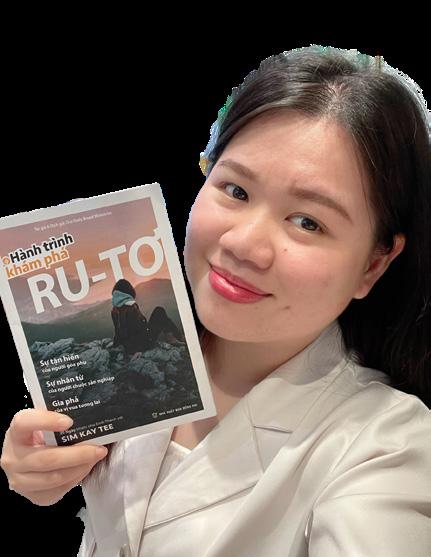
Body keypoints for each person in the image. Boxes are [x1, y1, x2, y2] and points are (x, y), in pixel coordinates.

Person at [1, 46, 430, 556]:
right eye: (236, 190)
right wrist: (41, 468)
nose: (244, 245)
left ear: (374, 264)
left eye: (308, 222)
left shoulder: (388, 448)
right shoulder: (153, 356)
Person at [111, 278, 185, 356]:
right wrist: (139, 350)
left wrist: (116, 345)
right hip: (144, 343)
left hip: (129, 346)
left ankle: (172, 337)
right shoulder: (131, 307)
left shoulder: (114, 310)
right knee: (159, 311)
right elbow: (135, 330)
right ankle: (176, 337)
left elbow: (118, 331)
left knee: (160, 313)